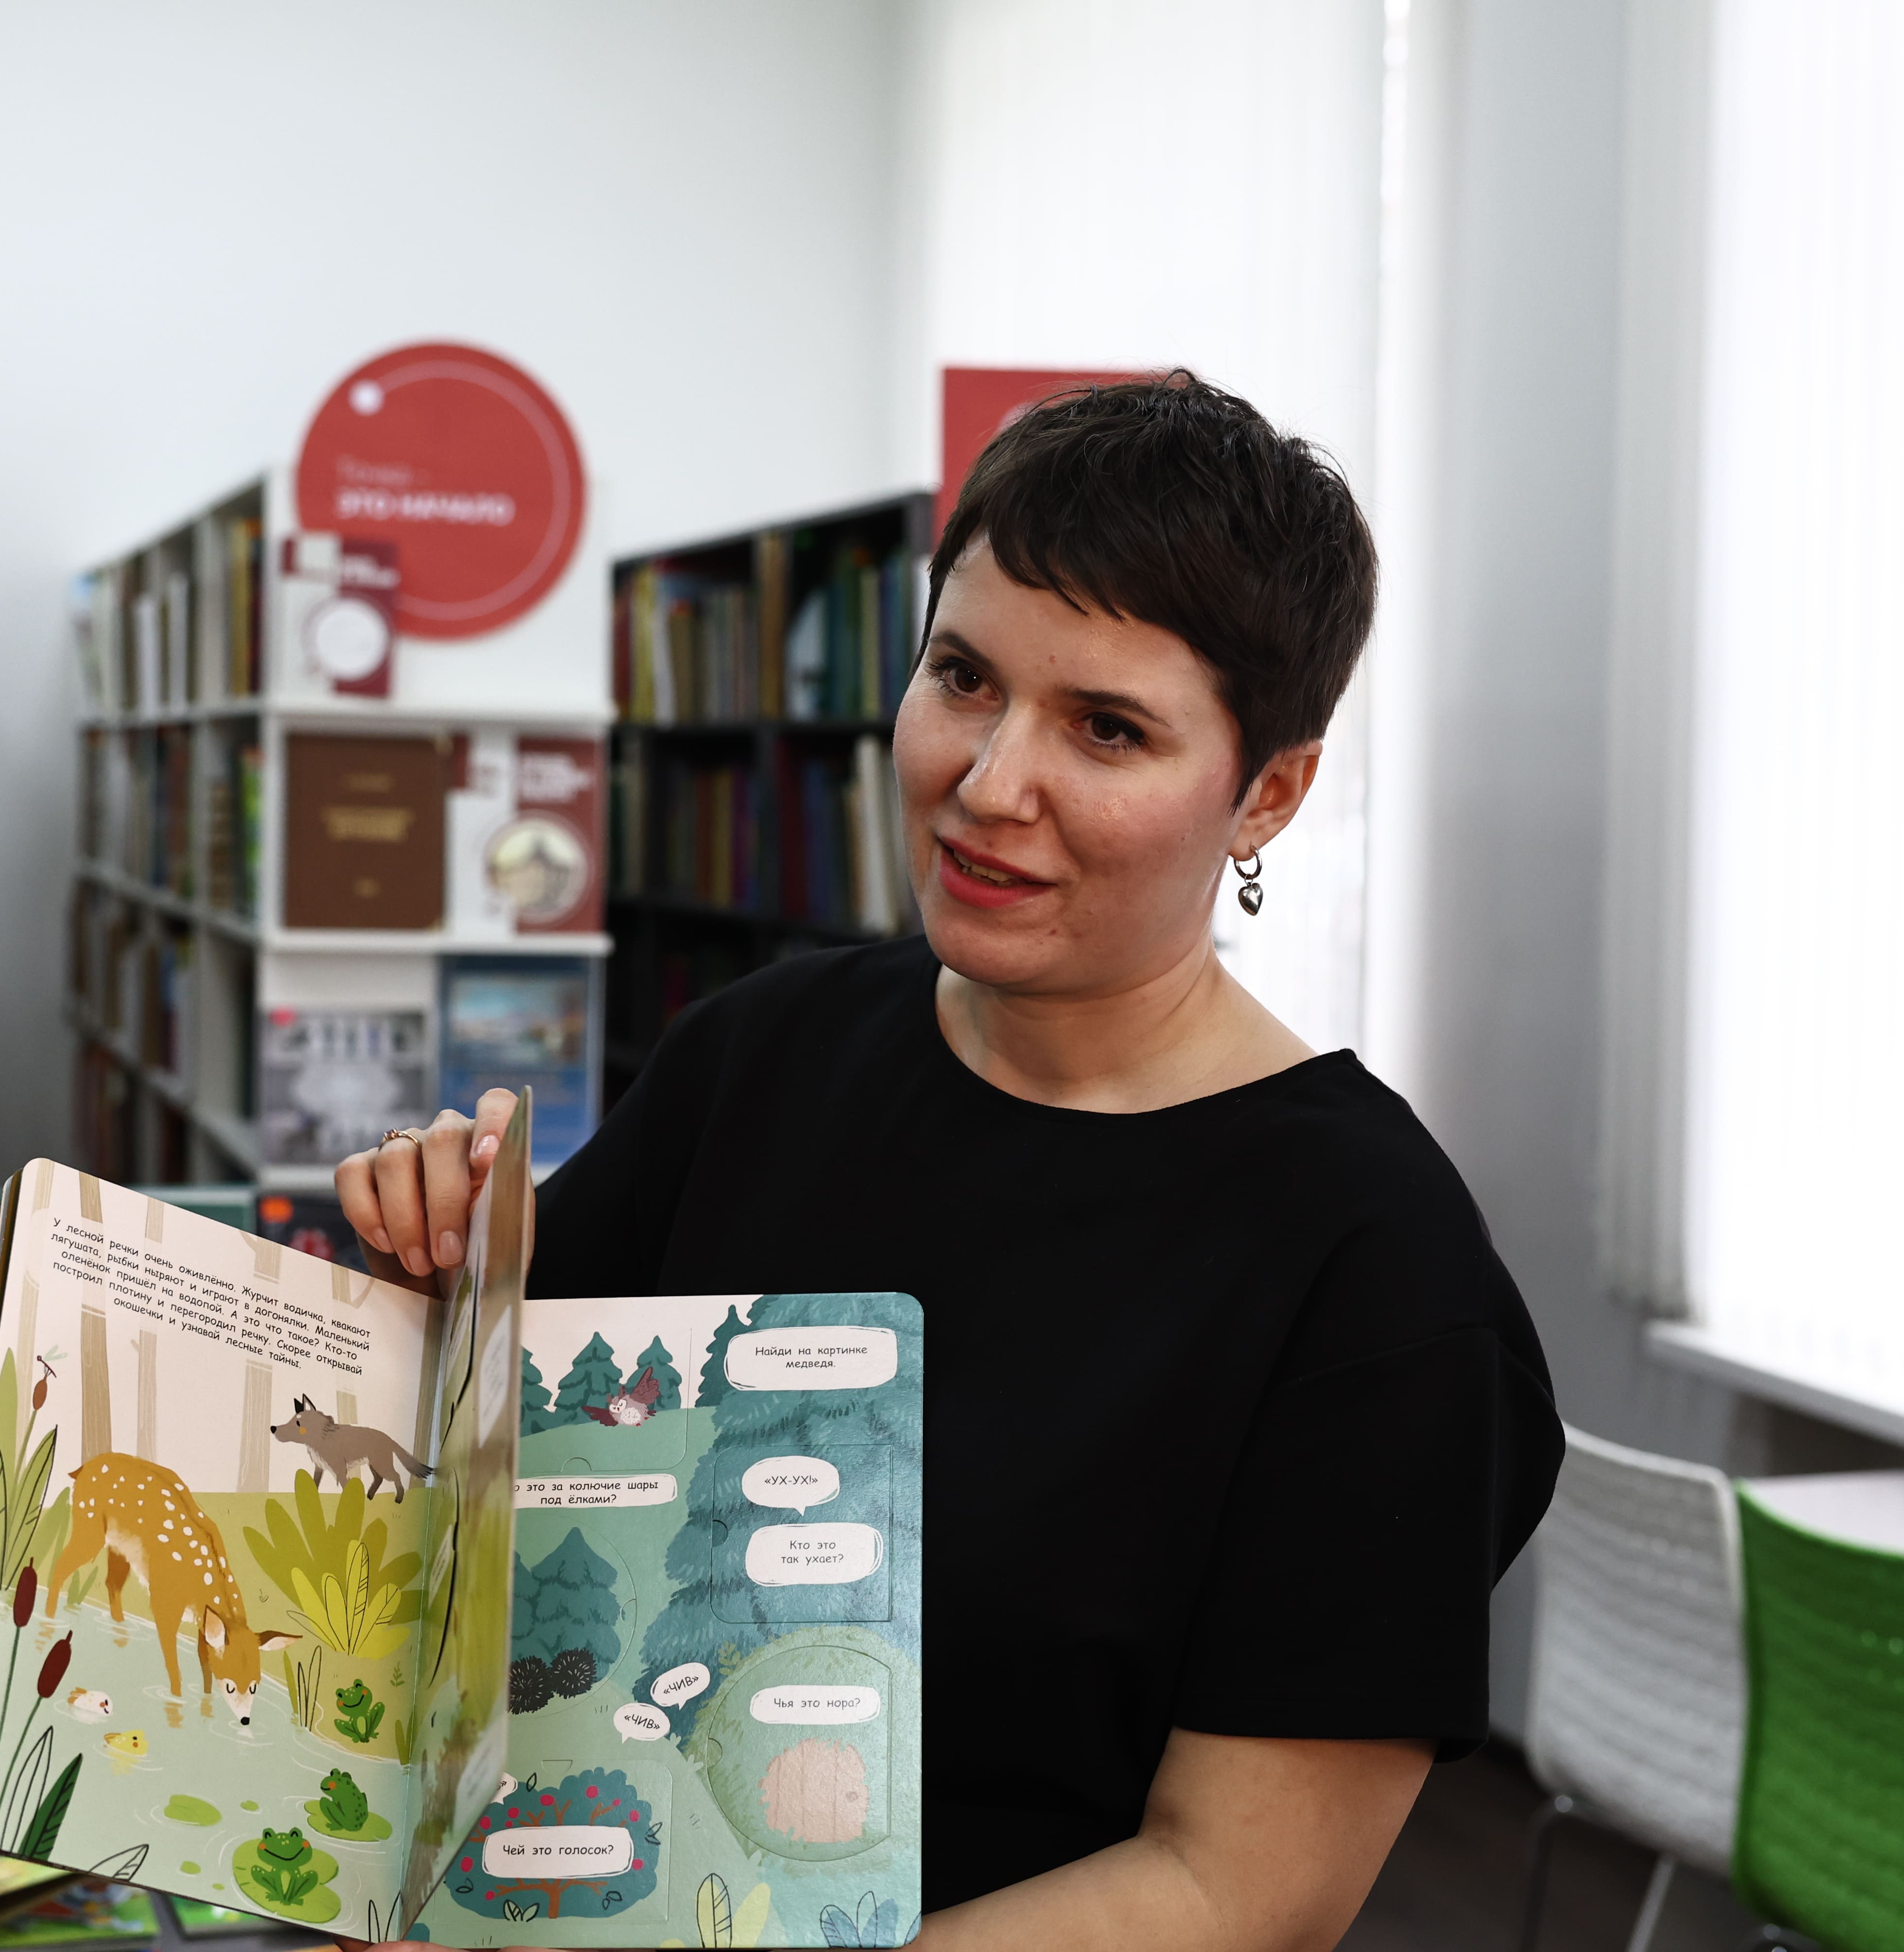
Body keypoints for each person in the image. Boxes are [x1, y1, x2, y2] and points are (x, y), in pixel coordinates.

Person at [335, 373, 1563, 1951]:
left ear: (1268, 790)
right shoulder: (760, 1053)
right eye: (964, 678)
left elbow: (1238, 1892)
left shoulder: (1376, 1268)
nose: (988, 785)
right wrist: (431, 1255)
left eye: (1107, 728)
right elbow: (486, 1477)